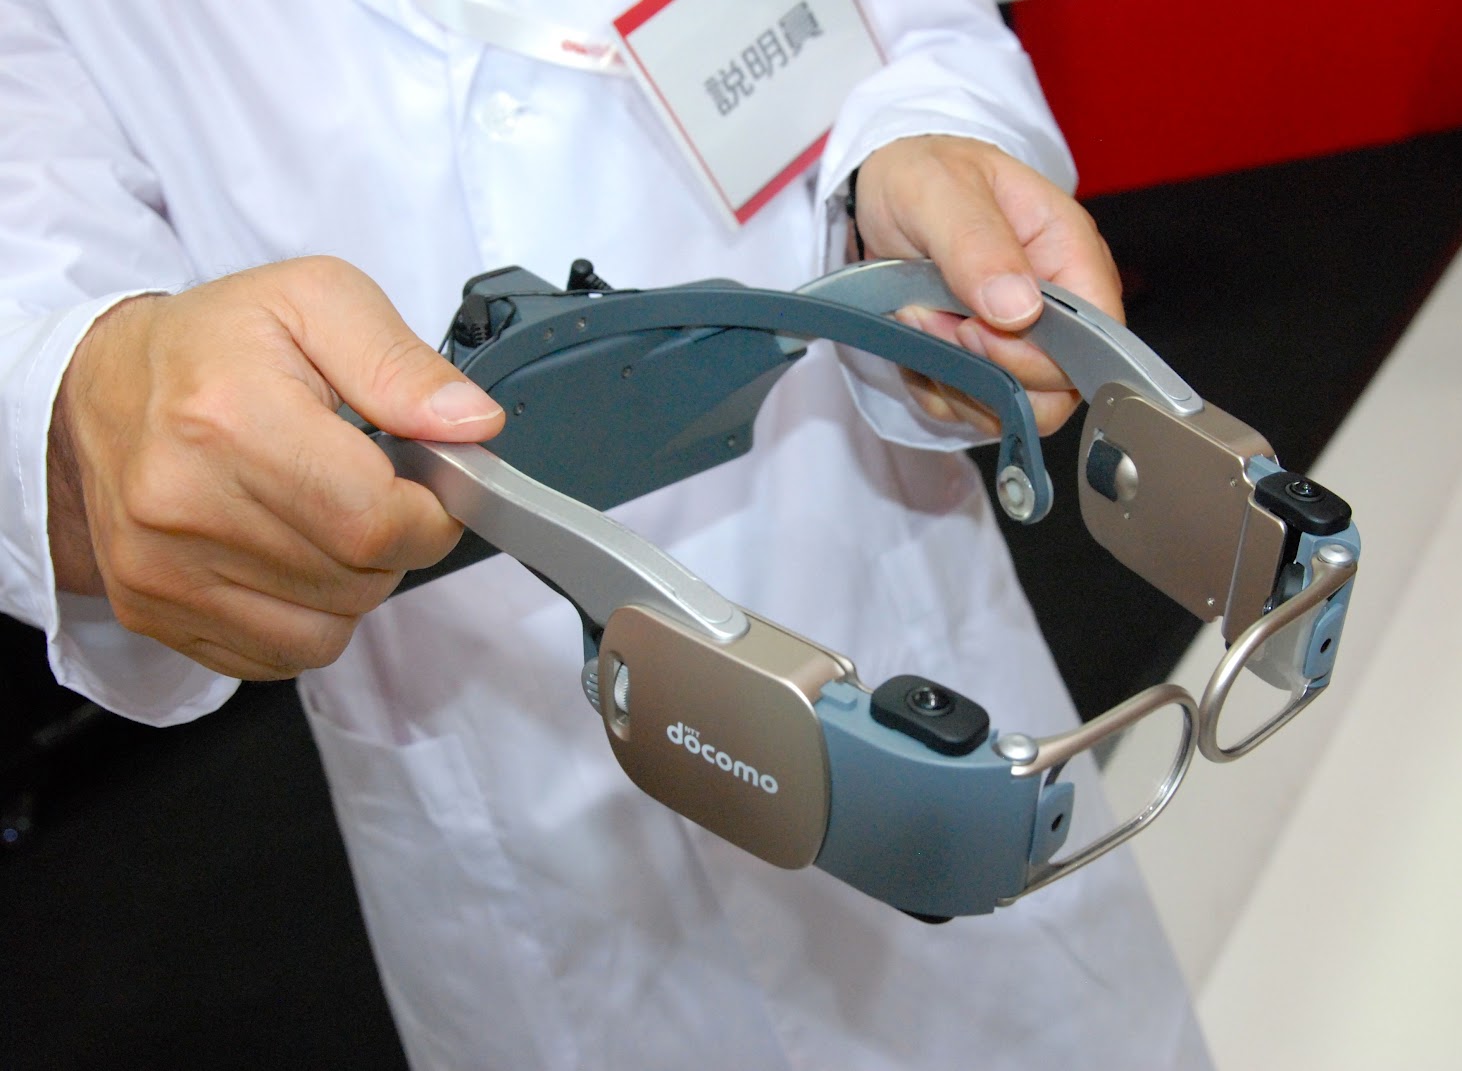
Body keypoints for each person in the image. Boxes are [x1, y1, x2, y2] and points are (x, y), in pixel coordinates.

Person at [0, 1, 1210, 1067]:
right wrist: (83, 397)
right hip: (513, 820)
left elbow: (927, 33)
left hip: (878, 590)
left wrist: (927, 147)